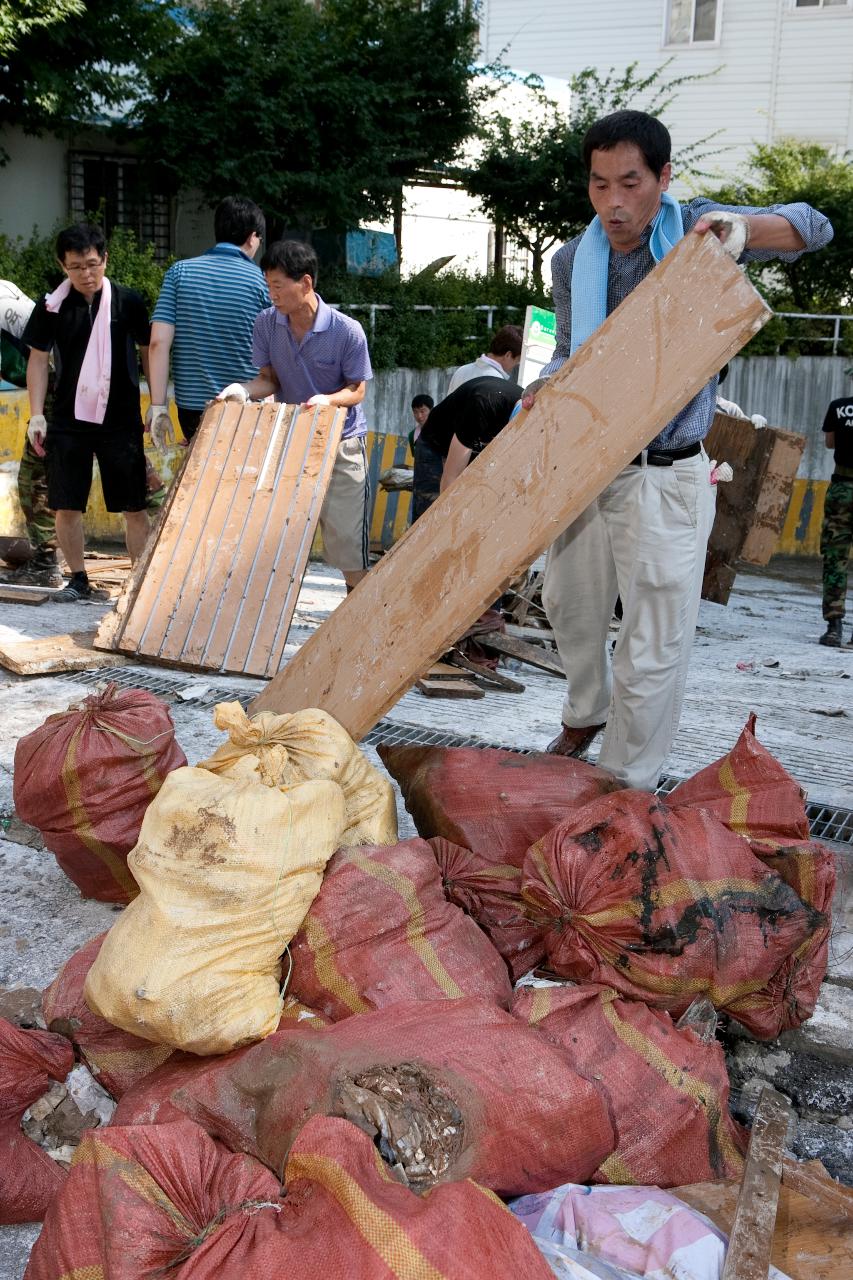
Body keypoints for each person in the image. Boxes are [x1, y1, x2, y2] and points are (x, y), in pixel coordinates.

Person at [534, 109, 832, 790]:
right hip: (589, 468)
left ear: (662, 179)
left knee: (653, 643)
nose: (613, 202)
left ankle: (622, 784)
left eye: (630, 183)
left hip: (666, 476)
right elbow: (565, 352)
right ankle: (586, 711)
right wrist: (544, 388)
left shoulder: (696, 232)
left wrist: (739, 231)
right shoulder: (571, 259)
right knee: (566, 603)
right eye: (599, 184)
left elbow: (814, 227)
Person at [216, 239, 373, 591]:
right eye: (267, 284)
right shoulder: (267, 324)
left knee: (348, 543)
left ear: (305, 283)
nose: (271, 293)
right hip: (290, 442)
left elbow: (358, 390)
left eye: (277, 285)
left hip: (342, 444)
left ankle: (360, 615)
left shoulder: (347, 331)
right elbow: (267, 380)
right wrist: (241, 390)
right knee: (279, 539)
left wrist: (328, 401)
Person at [23, 222, 153, 602]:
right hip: (67, 418)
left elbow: (149, 350)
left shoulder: (128, 301)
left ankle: (140, 580)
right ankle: (78, 578)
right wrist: (36, 414)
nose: (86, 274)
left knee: (133, 506)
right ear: (63, 265)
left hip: (121, 418)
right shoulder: (51, 306)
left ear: (106, 259)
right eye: (76, 267)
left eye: (93, 264)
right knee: (67, 504)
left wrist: (155, 402)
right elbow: (37, 360)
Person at [146, 196, 269, 445]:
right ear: (251, 236)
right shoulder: (263, 282)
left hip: (192, 409)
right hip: (245, 407)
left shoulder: (179, 273)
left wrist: (158, 406)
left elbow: (158, 343)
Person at [0, 281, 62, 586]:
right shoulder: (6, 291)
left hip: (58, 383)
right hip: (74, 380)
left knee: (34, 477)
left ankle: (45, 564)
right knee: (119, 457)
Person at [411, 375, 522, 519]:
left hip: (467, 444)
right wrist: (447, 517)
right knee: (430, 516)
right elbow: (451, 476)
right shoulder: (484, 405)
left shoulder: (529, 406)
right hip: (434, 445)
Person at [818, 372, 853, 648]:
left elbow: (830, 443)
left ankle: (834, 627)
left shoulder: (839, 407)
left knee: (835, 558)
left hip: (842, 488)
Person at [447, 324, 523, 394]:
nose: (517, 364)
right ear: (508, 355)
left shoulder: (461, 370)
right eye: (517, 360)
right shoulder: (497, 383)